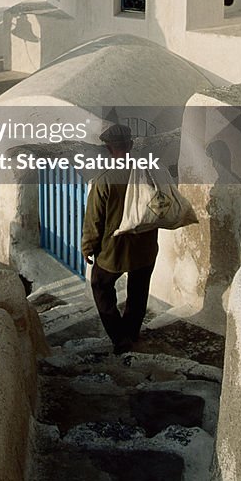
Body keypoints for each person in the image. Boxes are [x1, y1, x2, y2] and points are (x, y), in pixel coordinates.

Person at [81, 124, 158, 354]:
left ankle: (120, 338)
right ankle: (131, 332)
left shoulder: (104, 180)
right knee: (138, 292)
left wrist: (88, 247)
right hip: (145, 249)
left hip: (114, 251)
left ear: (108, 149)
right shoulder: (149, 172)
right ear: (131, 146)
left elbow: (94, 221)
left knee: (101, 286)